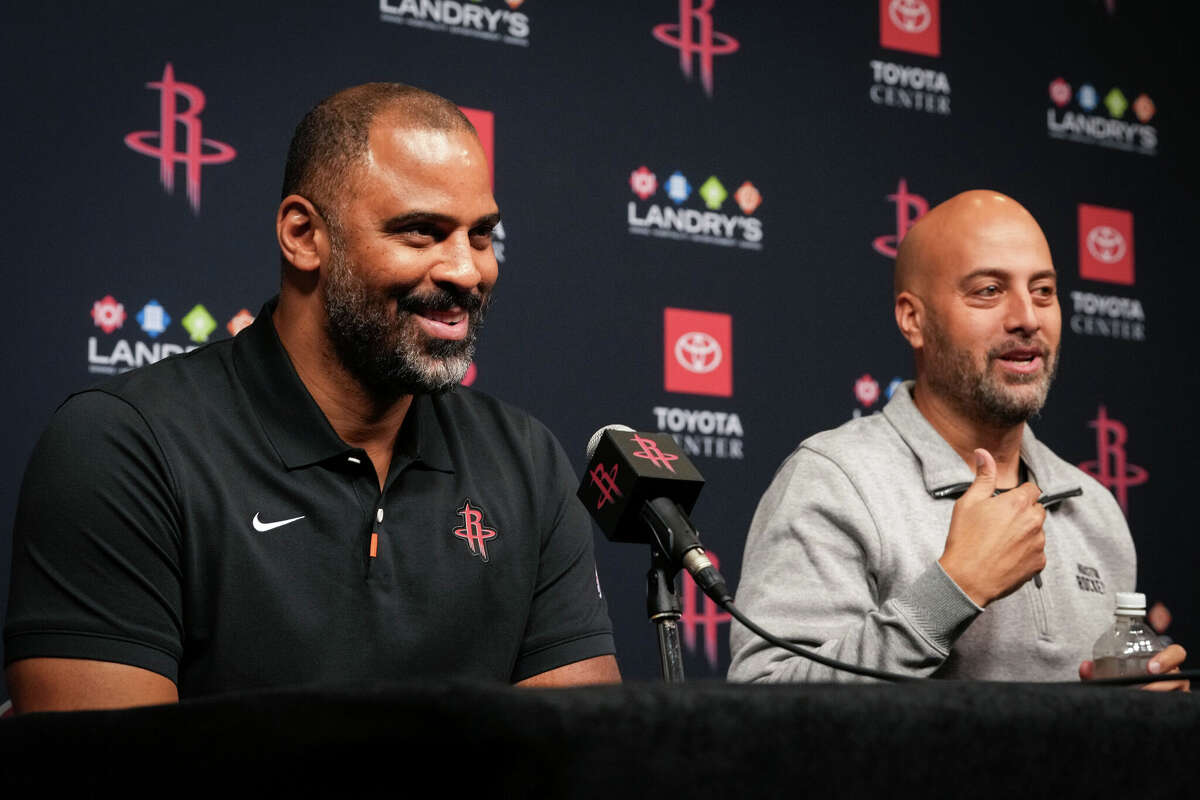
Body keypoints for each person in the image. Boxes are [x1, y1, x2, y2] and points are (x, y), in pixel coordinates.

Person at [4, 83, 620, 712]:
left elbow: (580, 757)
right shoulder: (124, 447)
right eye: (420, 232)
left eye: (481, 235)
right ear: (303, 235)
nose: (466, 271)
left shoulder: (527, 463)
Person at [728, 190, 1187, 687]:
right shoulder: (836, 479)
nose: (1027, 318)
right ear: (913, 319)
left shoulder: (1094, 509)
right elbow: (765, 697)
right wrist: (954, 590)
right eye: (989, 290)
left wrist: (1138, 717)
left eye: (1043, 291)